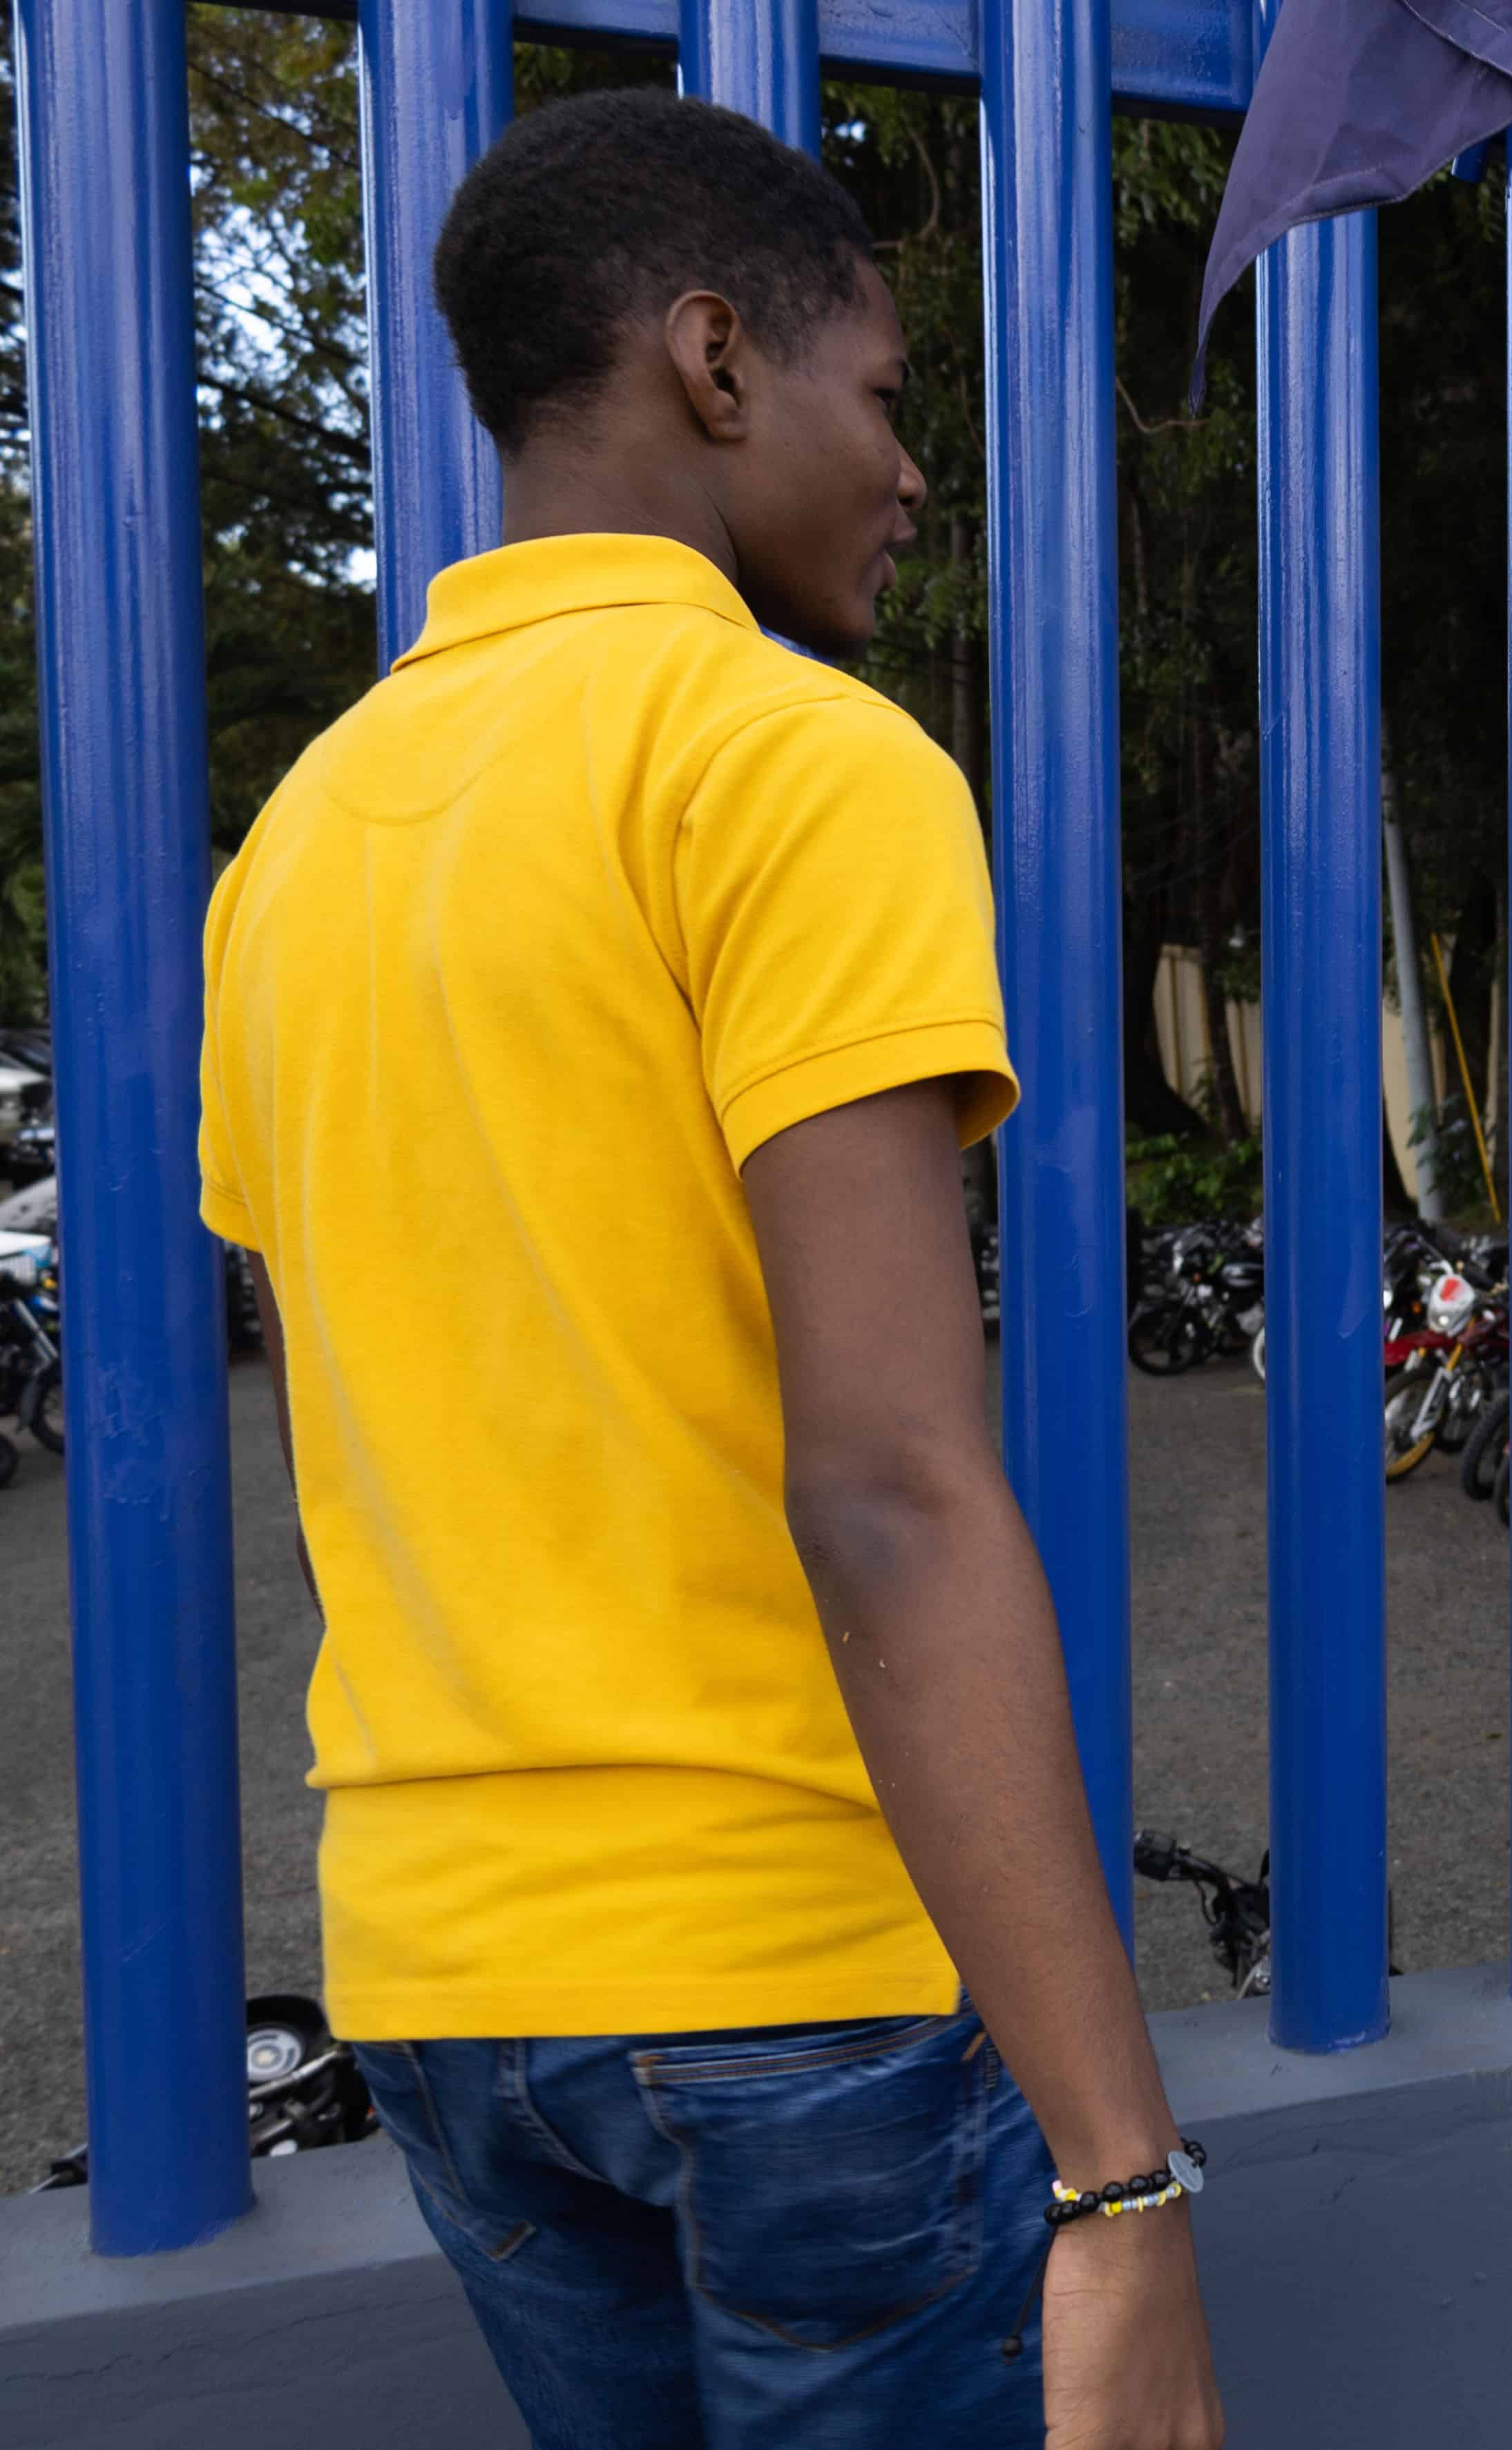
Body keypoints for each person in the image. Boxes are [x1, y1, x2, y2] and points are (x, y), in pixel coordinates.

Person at [195, 91, 1225, 2450]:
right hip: (785, 1979)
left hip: (446, 1987)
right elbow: (885, 1480)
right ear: (714, 360)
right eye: (882, 395)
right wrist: (1124, 2172)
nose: (911, 469)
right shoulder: (791, 762)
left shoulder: (302, 847)